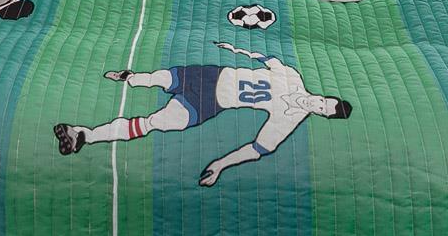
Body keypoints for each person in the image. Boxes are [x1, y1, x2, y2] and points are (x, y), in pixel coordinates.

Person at [53, 41, 351, 186]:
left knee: (156, 123)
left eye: (322, 110)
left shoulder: (289, 120)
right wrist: (234, 48)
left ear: (323, 116)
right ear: (324, 96)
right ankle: (130, 77)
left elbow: (258, 149)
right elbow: (266, 58)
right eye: (323, 101)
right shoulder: (293, 76)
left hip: (212, 104)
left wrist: (219, 165)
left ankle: (84, 135)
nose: (317, 105)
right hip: (212, 75)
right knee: (162, 78)